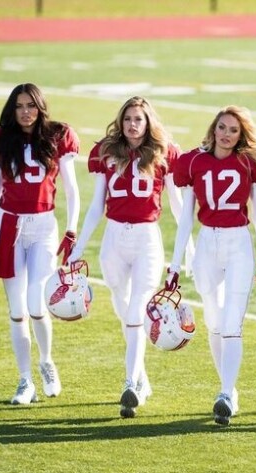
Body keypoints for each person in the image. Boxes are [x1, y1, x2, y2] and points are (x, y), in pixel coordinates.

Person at [66, 96, 192, 418]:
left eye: (138, 119)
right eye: (128, 119)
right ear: (120, 122)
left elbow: (177, 204)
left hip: (147, 238)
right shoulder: (106, 152)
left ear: (148, 122)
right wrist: (79, 246)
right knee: (124, 311)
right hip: (114, 238)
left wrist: (187, 243)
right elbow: (97, 205)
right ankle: (141, 377)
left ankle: (129, 384)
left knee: (137, 310)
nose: (133, 125)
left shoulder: (164, 152)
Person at [165, 105, 256, 426]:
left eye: (233, 130)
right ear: (213, 128)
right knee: (214, 321)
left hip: (238, 243)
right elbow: (186, 216)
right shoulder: (193, 161)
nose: (227, 134)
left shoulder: (249, 162)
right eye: (222, 127)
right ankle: (226, 388)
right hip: (206, 244)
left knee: (231, 324)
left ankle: (226, 392)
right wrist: (175, 263)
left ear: (241, 134)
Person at [0, 83, 80, 405]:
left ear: (41, 106)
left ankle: (46, 362)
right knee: (17, 311)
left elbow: (71, 191)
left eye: (31, 105)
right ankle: (24, 380)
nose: (25, 111)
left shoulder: (58, 136)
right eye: (19, 106)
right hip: (9, 225)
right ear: (11, 109)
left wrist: (71, 230)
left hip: (44, 227)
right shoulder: (0, 140)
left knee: (36, 304)